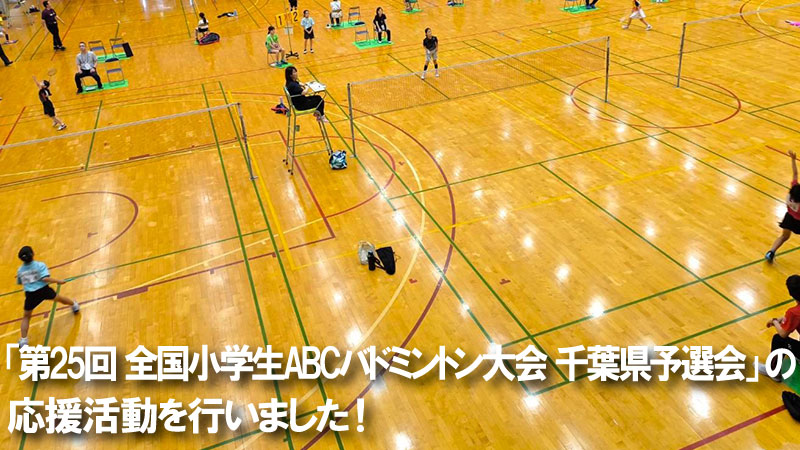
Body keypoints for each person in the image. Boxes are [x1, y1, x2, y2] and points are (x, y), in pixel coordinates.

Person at [16, 246, 80, 347]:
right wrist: (59, 281)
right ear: (32, 254)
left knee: (26, 317)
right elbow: (45, 279)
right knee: (60, 299)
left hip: (30, 295)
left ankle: (24, 340)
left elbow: (20, 282)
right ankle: (74, 305)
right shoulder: (40, 265)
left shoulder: (20, 270)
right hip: (44, 291)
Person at [758, 275, 800, 381]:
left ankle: (773, 371)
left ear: (791, 293)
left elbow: (783, 334)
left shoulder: (793, 313)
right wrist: (783, 319)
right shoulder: (794, 313)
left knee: (778, 339)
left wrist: (774, 321)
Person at [766, 150, 800, 263]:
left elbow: (795, 174)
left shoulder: (791, 194)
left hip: (789, 218)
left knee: (784, 236)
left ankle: (771, 252)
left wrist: (793, 159)